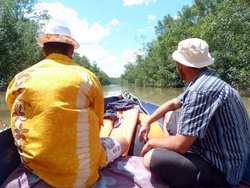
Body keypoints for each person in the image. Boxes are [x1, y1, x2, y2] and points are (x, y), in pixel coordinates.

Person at [5, 25, 128, 188]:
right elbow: (98, 122)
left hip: (34, 164)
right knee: (123, 141)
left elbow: (13, 108)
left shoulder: (21, 78)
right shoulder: (86, 77)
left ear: (44, 51)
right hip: (81, 175)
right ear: (71, 51)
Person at [138, 38, 250, 188]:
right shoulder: (206, 80)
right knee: (170, 115)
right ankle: (170, 152)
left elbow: (180, 145)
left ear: (181, 65)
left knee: (150, 158)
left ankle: (170, 155)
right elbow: (172, 104)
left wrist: (152, 143)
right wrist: (148, 122)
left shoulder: (201, 91)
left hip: (222, 170)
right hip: (227, 155)